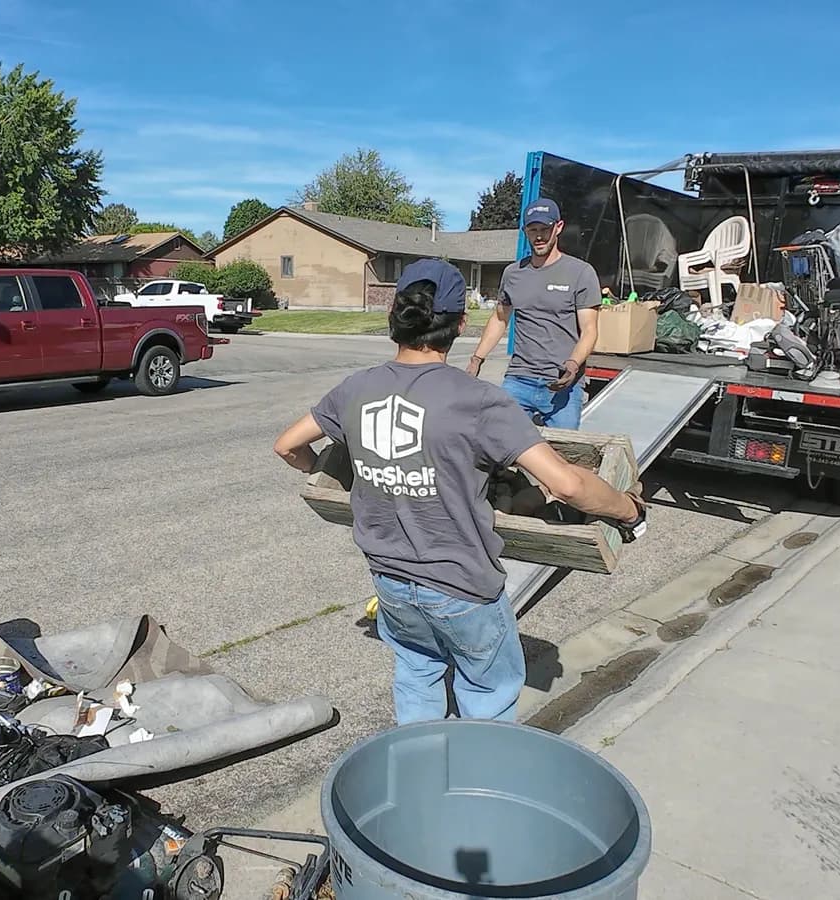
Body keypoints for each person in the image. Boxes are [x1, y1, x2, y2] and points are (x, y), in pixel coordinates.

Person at [274, 259, 646, 726]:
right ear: (461, 324)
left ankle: (422, 771)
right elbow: (567, 484)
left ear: (395, 318)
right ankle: (478, 782)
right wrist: (628, 511)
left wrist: (350, 477)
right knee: (487, 693)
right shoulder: (478, 401)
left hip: (389, 582)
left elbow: (287, 446)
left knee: (417, 671)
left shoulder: (356, 388)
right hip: (461, 586)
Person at [467, 198, 601, 428]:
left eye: (545, 230)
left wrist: (573, 364)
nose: (539, 237)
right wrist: (476, 359)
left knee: (561, 456)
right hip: (519, 380)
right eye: (533, 230)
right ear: (525, 231)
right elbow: (500, 318)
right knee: (500, 446)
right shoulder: (513, 274)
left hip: (562, 385)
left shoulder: (580, 273)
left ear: (558, 228)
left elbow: (590, 330)